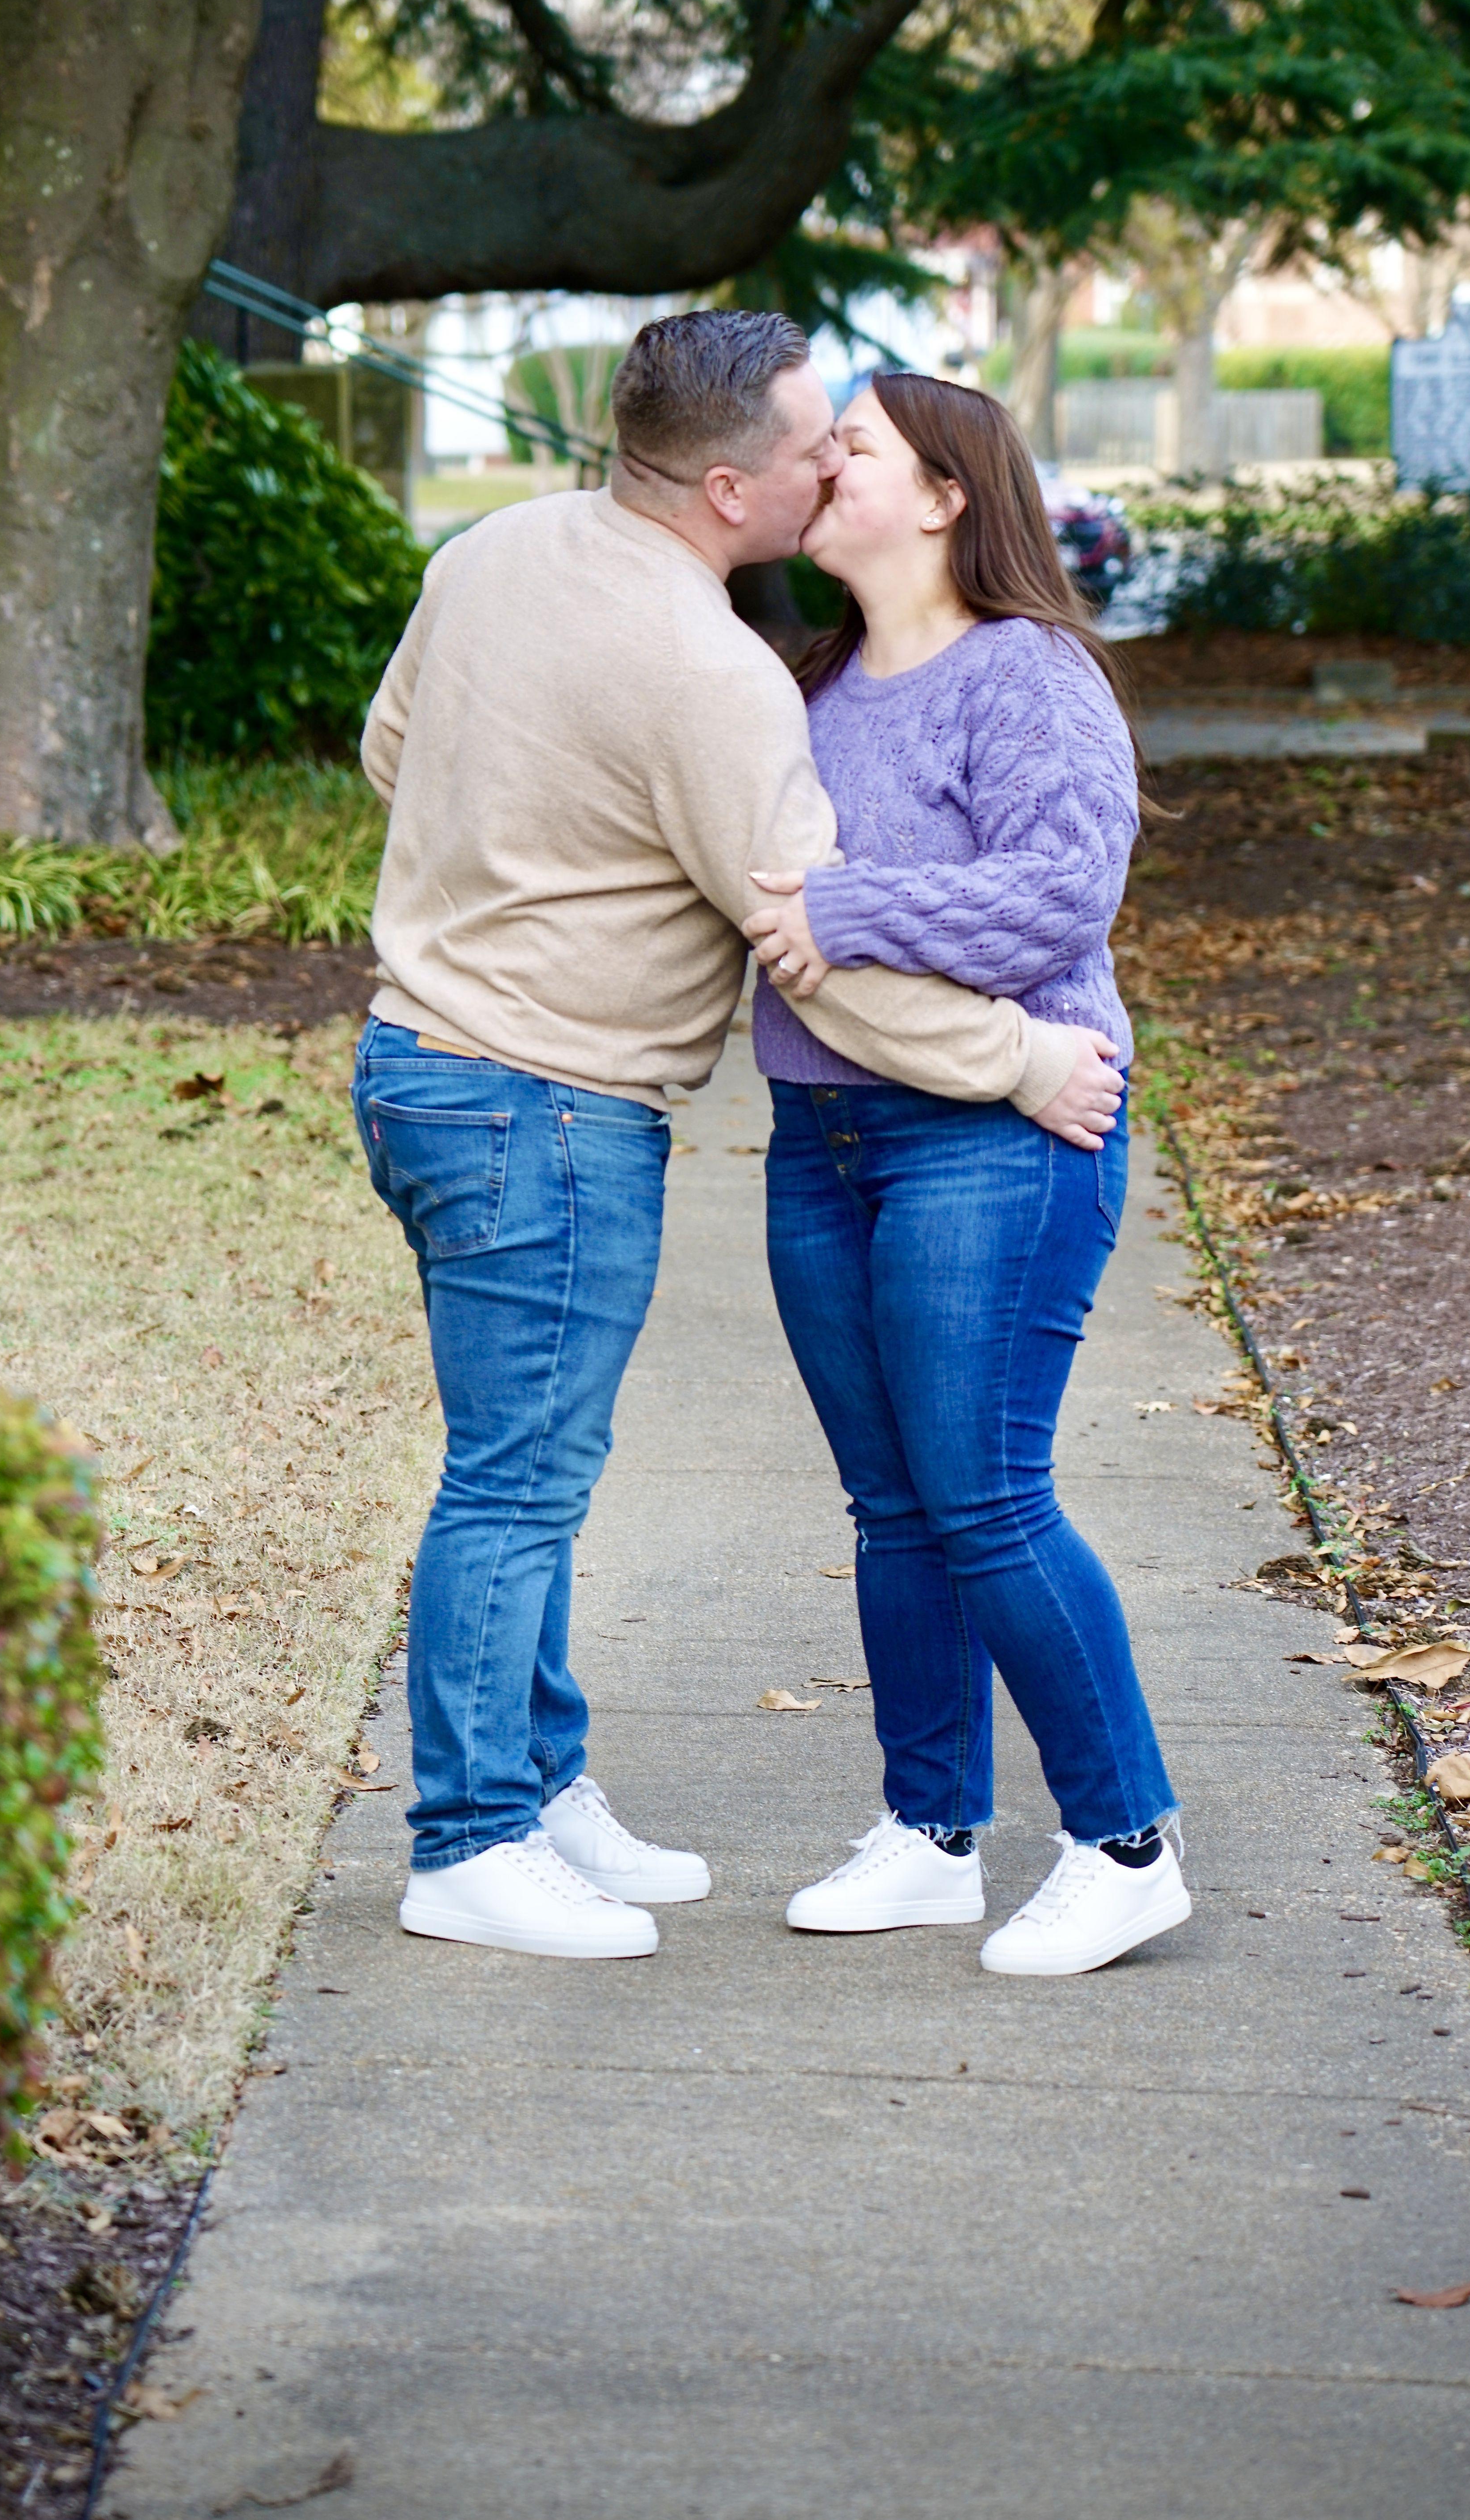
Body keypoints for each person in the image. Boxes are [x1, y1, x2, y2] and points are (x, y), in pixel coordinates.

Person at [352, 312, 1126, 1964]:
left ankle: (544, 1791)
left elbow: (392, 750)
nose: (827, 460)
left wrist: (526, 857)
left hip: (426, 1067)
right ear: (725, 483)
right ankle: (472, 1835)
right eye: (808, 444)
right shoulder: (732, 676)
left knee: (561, 1471)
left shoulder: (493, 550)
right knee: (522, 1478)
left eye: (856, 446)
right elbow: (805, 950)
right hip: (547, 1101)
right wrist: (1015, 1057)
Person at [739, 370, 1190, 1978]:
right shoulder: (808, 682)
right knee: (892, 1508)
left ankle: (1126, 1838)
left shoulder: (1028, 673)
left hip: (999, 1140)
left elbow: (1062, 895)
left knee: (985, 1494)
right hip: (820, 1142)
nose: (822, 462)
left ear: (943, 496)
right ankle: (931, 1834)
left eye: (850, 443)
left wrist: (846, 910)